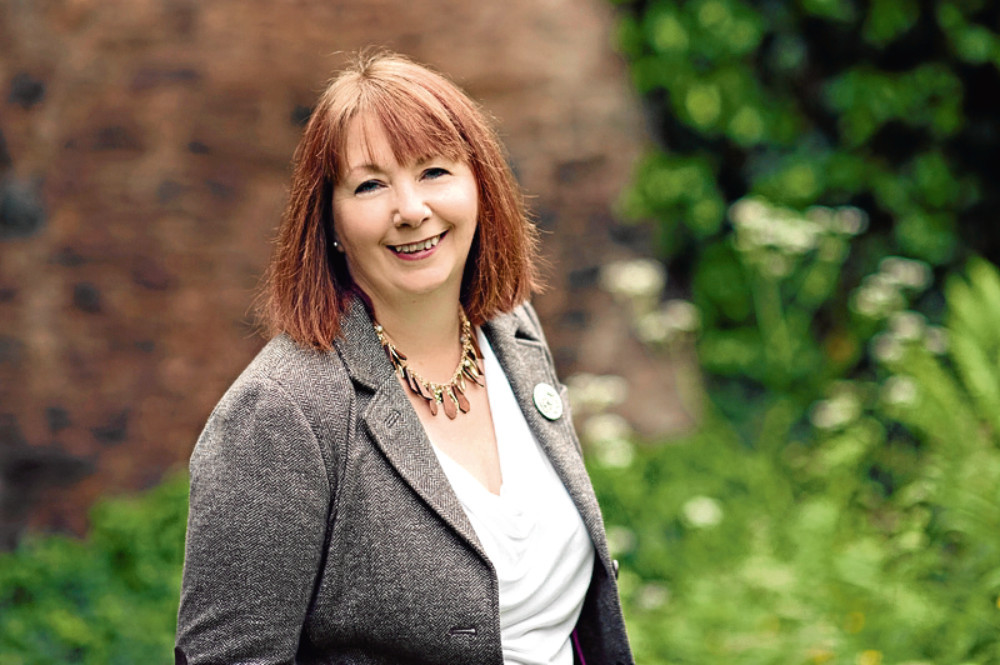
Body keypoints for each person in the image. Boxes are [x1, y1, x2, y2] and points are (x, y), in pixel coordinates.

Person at [175, 50, 634, 665]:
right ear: (329, 220)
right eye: (370, 184)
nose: (411, 209)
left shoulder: (511, 331)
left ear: (480, 184)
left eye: (434, 171)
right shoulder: (282, 411)